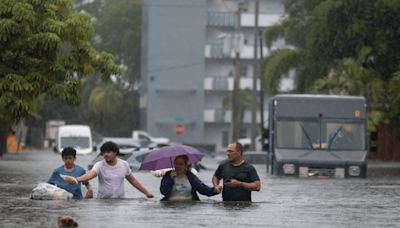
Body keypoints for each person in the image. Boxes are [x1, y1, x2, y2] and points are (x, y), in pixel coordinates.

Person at [65, 141, 154, 199]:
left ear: (115, 152)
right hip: (103, 202)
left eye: (108, 152)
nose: (105, 154)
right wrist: (76, 179)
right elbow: (90, 175)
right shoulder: (99, 165)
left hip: (120, 201)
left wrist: (146, 193)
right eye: (104, 152)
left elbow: (133, 181)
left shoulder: (124, 164)